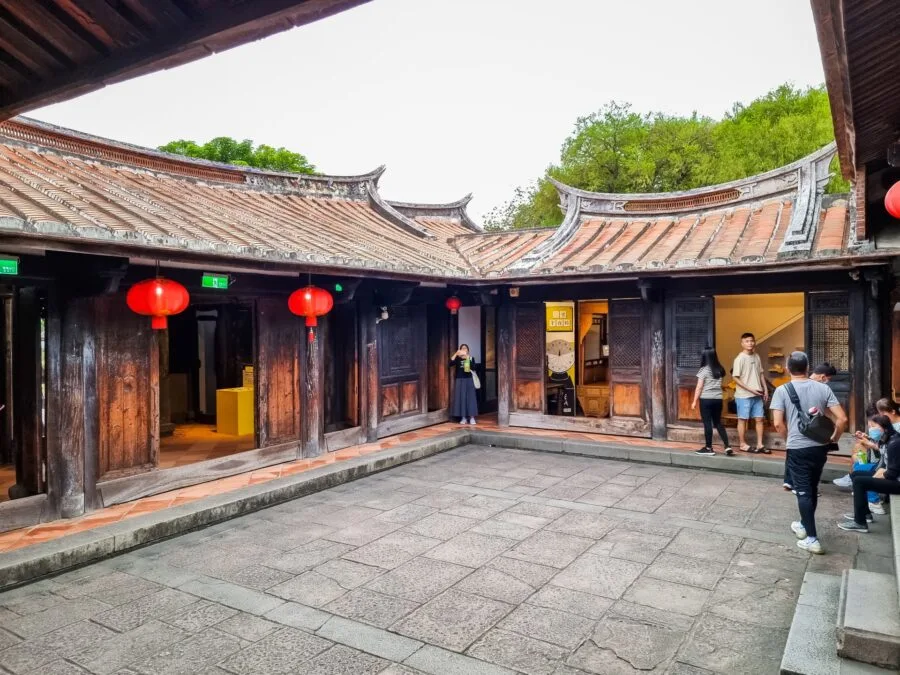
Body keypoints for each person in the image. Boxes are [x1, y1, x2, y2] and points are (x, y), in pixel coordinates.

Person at [771, 351, 847, 554]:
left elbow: (778, 423)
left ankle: (812, 539)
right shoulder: (822, 388)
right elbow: (842, 419)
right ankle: (804, 525)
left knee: (803, 491)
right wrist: (834, 438)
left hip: (797, 448)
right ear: (807, 368)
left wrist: (789, 439)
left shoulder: (782, 390)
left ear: (788, 368)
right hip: (820, 447)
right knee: (812, 487)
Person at [838, 413, 900, 533]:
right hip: (891, 476)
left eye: (873, 427)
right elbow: (879, 450)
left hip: (896, 482)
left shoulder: (895, 443)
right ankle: (864, 514)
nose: (871, 430)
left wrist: (880, 474)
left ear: (883, 428)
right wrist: (866, 439)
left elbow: (892, 473)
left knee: (859, 482)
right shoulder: (888, 438)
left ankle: (860, 523)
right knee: (856, 475)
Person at [785, 363, 837, 490]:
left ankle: (789, 481)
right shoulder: (822, 389)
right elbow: (839, 416)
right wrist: (834, 435)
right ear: (823, 377)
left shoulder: (791, 386)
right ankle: (803, 487)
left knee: (793, 454)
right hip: (813, 430)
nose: (828, 382)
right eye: (829, 379)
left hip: (794, 429)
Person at [833, 397, 900, 490]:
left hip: (889, 468)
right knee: (857, 453)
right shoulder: (890, 426)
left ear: (892, 411)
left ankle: (872, 498)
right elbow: (884, 443)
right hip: (885, 464)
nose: (882, 417)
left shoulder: (895, 429)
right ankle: (852, 479)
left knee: (859, 473)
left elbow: (889, 450)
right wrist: (869, 438)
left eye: (883, 414)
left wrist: (871, 444)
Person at [691, 347, 733, 456]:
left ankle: (708, 448)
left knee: (707, 423)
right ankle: (727, 446)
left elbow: (699, 387)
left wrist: (694, 401)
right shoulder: (719, 369)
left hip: (706, 399)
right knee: (718, 422)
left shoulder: (704, 370)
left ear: (705, 356)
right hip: (718, 399)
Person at [732, 333, 769, 453]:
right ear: (742, 343)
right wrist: (750, 389)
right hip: (744, 395)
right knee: (743, 419)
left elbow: (761, 373)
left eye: (752, 341)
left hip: (757, 394)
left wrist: (765, 389)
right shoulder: (739, 359)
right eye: (747, 341)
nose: (750, 343)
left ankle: (760, 444)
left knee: (759, 419)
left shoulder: (756, 356)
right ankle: (742, 444)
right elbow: (735, 378)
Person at [450, 344, 478, 425]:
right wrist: (456, 354)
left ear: (468, 350)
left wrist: (467, 358)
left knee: (471, 398)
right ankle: (463, 417)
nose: (464, 349)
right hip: (460, 380)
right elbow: (450, 363)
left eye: (465, 348)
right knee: (461, 398)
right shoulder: (458, 359)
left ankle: (472, 417)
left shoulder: (471, 358)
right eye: (462, 348)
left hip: (469, 380)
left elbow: (473, 368)